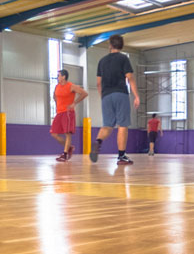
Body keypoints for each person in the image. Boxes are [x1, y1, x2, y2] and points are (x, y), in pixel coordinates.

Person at [92, 34, 140, 165]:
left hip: (106, 95)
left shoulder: (102, 61)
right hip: (120, 94)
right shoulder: (123, 58)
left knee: (107, 125)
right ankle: (121, 156)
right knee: (122, 125)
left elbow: (98, 83)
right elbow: (130, 78)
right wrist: (136, 96)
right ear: (121, 45)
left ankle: (97, 142)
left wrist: (103, 97)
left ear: (110, 45)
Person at [52, 69, 88, 162]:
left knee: (67, 133)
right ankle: (69, 148)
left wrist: (74, 103)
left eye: (59, 75)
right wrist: (57, 105)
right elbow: (54, 96)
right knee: (54, 134)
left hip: (68, 112)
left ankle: (65, 154)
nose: (57, 77)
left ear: (64, 77)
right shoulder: (57, 86)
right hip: (59, 113)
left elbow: (84, 93)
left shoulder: (71, 86)